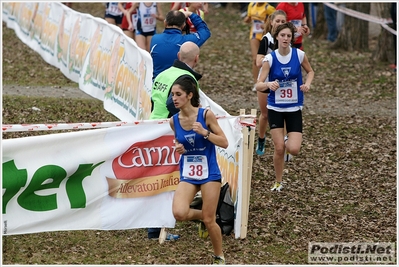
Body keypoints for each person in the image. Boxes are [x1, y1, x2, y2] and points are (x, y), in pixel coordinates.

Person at [169, 76, 229, 265]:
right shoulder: (174, 121)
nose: (174, 99)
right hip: (189, 172)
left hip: (209, 172)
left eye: (178, 94)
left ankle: (219, 256)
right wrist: (179, 148)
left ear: (189, 95)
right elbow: (181, 143)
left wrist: (205, 133)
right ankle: (202, 215)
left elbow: (224, 142)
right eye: (173, 95)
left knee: (211, 221)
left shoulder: (205, 115)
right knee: (179, 213)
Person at [255, 22, 314, 192]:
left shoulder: (300, 55)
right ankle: (278, 181)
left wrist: (307, 84)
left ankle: (288, 139)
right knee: (279, 148)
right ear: (277, 38)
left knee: (293, 150)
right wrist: (269, 84)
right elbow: (258, 85)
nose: (286, 39)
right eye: (283, 36)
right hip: (275, 108)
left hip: (294, 108)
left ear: (292, 38)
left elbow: (310, 71)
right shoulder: (270, 59)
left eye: (289, 36)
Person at [255, 9, 287, 156]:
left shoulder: (287, 39)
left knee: (284, 113)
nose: (280, 24)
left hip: (282, 82)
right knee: (265, 114)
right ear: (271, 22)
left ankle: (284, 144)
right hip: (265, 81)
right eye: (278, 21)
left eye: (283, 21)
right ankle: (261, 139)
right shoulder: (266, 39)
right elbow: (258, 62)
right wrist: (271, 58)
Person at [150, 9, 211, 80]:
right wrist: (190, 14)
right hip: (178, 85)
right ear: (183, 26)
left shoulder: (155, 38)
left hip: (157, 84)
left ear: (165, 23)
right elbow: (205, 32)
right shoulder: (186, 42)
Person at [150, 41, 202, 120]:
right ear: (196, 58)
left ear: (178, 55)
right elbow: (171, 103)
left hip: (153, 122)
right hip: (168, 126)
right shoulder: (186, 79)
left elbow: (154, 100)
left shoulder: (162, 74)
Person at [243, 2, 276, 91]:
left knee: (265, 59)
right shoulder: (251, 5)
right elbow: (249, 18)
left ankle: (267, 79)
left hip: (265, 36)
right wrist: (247, 19)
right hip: (254, 35)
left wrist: (265, 25)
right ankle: (256, 83)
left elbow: (275, 22)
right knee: (255, 59)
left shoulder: (269, 8)